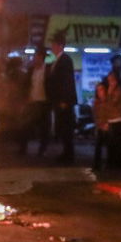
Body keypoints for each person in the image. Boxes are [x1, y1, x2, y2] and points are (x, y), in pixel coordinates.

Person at [92, 54, 121, 171]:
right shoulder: (109, 77)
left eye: (119, 62)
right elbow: (103, 96)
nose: (118, 65)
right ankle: (112, 161)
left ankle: (119, 161)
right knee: (111, 140)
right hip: (111, 113)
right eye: (115, 63)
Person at [46, 31, 78, 163]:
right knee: (62, 127)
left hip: (64, 101)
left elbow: (66, 81)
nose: (52, 46)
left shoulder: (64, 60)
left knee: (66, 128)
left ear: (59, 45)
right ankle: (66, 153)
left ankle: (68, 154)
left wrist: (65, 100)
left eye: (53, 44)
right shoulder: (57, 60)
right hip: (59, 101)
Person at [24, 45, 50, 156]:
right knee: (26, 124)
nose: (35, 59)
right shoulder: (31, 70)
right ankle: (23, 147)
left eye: (37, 57)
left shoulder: (48, 70)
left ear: (41, 58)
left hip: (44, 102)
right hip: (32, 102)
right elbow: (27, 85)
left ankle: (42, 149)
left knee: (44, 128)